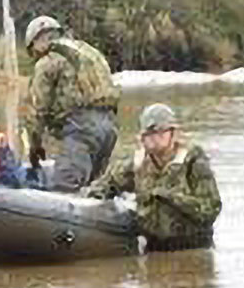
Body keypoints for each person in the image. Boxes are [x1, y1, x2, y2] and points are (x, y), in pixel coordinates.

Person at [87, 103, 221, 251]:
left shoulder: (193, 162)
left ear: (173, 134)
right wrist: (95, 197)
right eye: (148, 134)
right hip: (154, 245)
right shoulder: (139, 163)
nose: (153, 139)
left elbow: (210, 209)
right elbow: (108, 184)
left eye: (160, 133)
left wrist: (170, 197)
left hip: (193, 245)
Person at [23, 15, 119, 191]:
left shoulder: (48, 61)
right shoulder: (88, 51)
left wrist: (35, 147)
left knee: (64, 189)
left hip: (82, 130)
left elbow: (37, 111)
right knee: (94, 190)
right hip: (110, 128)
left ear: (36, 42)